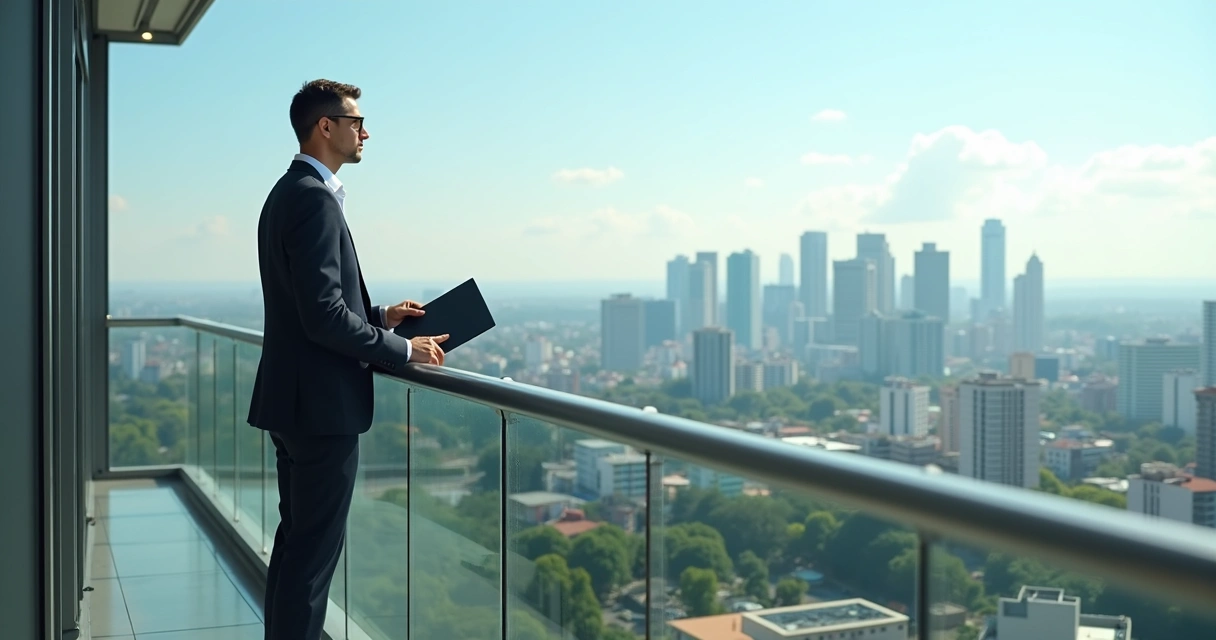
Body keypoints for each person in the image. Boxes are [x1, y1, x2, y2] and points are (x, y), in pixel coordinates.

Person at [246, 79, 448, 640]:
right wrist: (404, 350)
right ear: (325, 127)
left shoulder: (287, 192)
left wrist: (379, 315)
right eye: (356, 120)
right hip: (321, 411)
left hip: (293, 404)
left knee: (295, 551)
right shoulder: (313, 198)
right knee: (310, 565)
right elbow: (323, 318)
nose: (365, 131)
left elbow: (308, 303)